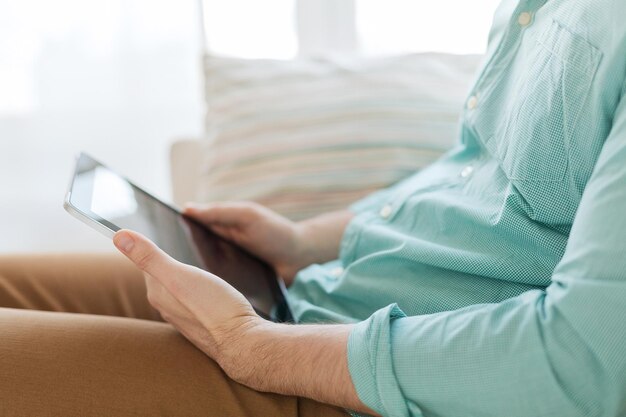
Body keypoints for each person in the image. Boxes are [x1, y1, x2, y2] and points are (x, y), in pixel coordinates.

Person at [2, 1, 625, 416]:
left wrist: (253, 346)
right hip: (316, 303)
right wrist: (307, 243)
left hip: (361, 382)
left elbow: (586, 363)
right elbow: (475, 175)